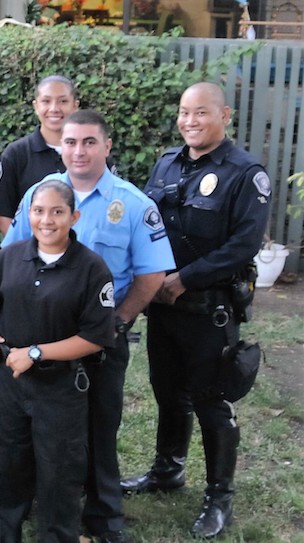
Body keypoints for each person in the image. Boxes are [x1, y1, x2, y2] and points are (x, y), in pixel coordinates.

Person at [2, 109, 174, 543]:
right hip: (36, 339)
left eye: (89, 142)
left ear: (106, 147)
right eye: (71, 142)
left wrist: (116, 320)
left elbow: (151, 275)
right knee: (26, 431)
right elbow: (11, 257)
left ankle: (103, 517)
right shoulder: (38, 196)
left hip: (98, 341)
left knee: (98, 429)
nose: (78, 150)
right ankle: (23, 509)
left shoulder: (134, 204)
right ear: (60, 146)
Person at [122, 82, 270, 539]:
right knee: (168, 393)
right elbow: (147, 226)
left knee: (210, 402)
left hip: (210, 310)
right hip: (165, 309)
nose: (190, 121)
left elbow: (243, 244)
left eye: (201, 113)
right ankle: (168, 469)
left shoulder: (246, 173)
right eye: (184, 112)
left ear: (224, 115)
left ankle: (219, 497)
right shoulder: (168, 163)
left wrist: (183, 279)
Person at [0, 179, 115, 543]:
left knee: (59, 472)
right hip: (7, 382)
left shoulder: (91, 268)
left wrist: (37, 353)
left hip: (59, 387)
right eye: (39, 211)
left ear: (75, 216)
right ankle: (3, 534)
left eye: (57, 212)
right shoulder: (9, 257)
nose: (47, 220)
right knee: (3, 463)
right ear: (28, 215)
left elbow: (96, 336)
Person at [0, 75, 79, 235]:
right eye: (46, 101)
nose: (54, 108)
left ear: (75, 106)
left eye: (63, 101)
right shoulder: (16, 154)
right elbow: (5, 216)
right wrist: (28, 254)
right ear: (36, 106)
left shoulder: (90, 154)